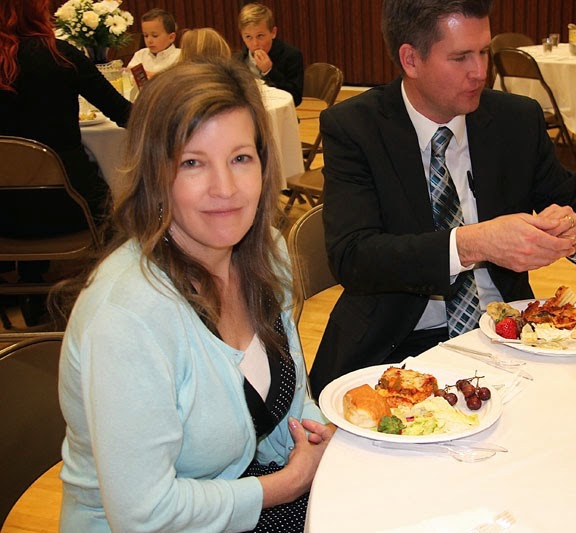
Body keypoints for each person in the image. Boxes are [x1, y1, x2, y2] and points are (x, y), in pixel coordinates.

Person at [57, 59, 334, 532]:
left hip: (247, 495)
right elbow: (144, 515)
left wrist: (314, 436)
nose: (225, 189)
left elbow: (289, 405)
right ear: (155, 176)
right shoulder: (128, 316)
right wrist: (289, 484)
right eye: (192, 163)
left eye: (240, 158)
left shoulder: (266, 253)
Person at [308, 0, 576, 398]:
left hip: (508, 338)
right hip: (395, 345)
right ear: (411, 59)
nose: (480, 71)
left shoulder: (515, 120)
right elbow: (353, 256)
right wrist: (472, 244)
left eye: (484, 52)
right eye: (460, 57)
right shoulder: (355, 128)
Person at [0, 0, 131, 325]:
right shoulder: (61, 56)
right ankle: (111, 306)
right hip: (70, 210)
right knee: (121, 208)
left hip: (4, 218)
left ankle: (31, 294)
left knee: (23, 192)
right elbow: (127, 114)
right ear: (37, 11)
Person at [237, 3, 303, 106]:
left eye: (260, 36)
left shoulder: (291, 55)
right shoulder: (238, 60)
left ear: (273, 33)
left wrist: (269, 71)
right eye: (248, 37)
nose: (255, 43)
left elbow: (296, 99)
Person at [127, 8, 181, 77]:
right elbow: (128, 74)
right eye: (146, 36)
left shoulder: (180, 56)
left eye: (155, 36)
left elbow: (175, 79)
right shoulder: (140, 55)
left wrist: (148, 74)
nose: (149, 40)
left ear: (171, 37)